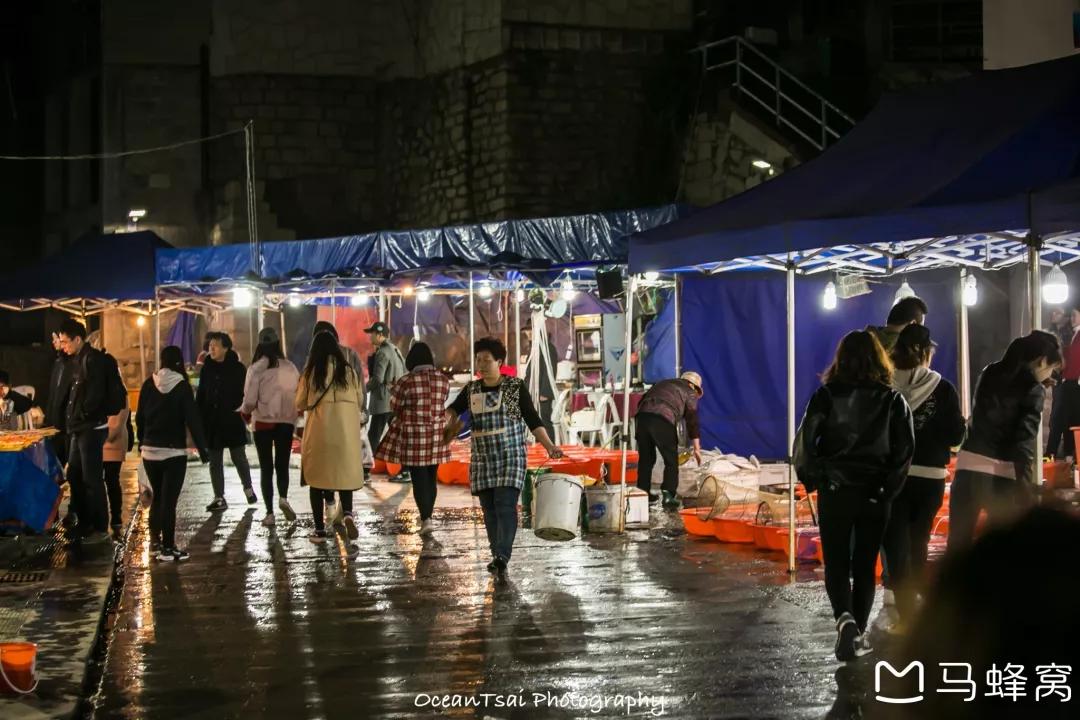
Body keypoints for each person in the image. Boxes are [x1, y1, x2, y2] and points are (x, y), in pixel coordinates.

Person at [793, 330, 914, 661]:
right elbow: (904, 453)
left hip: (836, 491)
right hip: (876, 493)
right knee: (864, 564)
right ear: (880, 359)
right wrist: (886, 490)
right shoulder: (893, 401)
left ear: (841, 359)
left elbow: (803, 446)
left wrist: (814, 479)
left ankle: (845, 623)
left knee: (835, 562)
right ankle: (856, 634)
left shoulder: (826, 396)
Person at [444, 338, 563, 578]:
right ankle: (496, 553)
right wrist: (449, 422)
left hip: (510, 456)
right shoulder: (472, 390)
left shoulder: (512, 389)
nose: (482, 365)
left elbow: (533, 420)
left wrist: (550, 446)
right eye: (479, 360)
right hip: (483, 458)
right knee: (488, 509)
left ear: (499, 362)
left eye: (487, 360)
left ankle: (502, 555)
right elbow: (453, 410)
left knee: (505, 505)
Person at [879, 324, 965, 630]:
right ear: (927, 353)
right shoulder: (942, 388)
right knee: (920, 541)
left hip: (893, 478)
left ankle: (904, 610)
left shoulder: (883, 386)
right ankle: (922, 603)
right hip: (930, 478)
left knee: (895, 545)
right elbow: (956, 434)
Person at [948, 330, 1061, 553]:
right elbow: (1023, 442)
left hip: (968, 466)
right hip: (1003, 477)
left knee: (958, 546)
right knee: (1003, 551)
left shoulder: (989, 372)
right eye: (1051, 368)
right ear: (1041, 361)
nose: (1050, 373)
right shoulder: (1033, 389)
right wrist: (1026, 488)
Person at [136, 346, 209, 561]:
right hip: (174, 452)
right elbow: (192, 419)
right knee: (169, 501)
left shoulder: (149, 383)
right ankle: (168, 548)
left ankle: (155, 544)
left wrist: (143, 441)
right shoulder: (181, 386)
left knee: (157, 498)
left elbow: (140, 417)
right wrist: (203, 449)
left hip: (150, 451)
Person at [296, 331, 365, 543]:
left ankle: (319, 531)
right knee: (344, 477)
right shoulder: (349, 372)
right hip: (345, 433)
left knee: (317, 480)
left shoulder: (311, 373)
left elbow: (300, 403)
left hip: (320, 433)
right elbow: (360, 400)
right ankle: (348, 514)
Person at [376, 342, 450, 536]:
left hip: (414, 437)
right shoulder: (443, 379)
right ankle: (429, 516)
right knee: (431, 479)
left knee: (418, 480)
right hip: (437, 436)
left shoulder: (406, 381)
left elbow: (395, 406)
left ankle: (426, 518)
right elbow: (442, 402)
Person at [58, 318, 116, 544]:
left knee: (92, 478)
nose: (64, 346)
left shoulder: (93, 360)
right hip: (79, 428)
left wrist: (83, 413)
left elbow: (95, 394)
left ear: (78, 339)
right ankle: (84, 521)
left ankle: (100, 528)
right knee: (74, 474)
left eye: (66, 342)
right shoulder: (78, 359)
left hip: (91, 427)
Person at [240, 327, 300, 527]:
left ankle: (269, 513)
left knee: (267, 468)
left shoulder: (256, 369)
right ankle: (283, 498)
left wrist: (245, 414)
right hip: (286, 422)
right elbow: (298, 394)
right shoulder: (290, 367)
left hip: (264, 422)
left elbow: (249, 400)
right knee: (282, 464)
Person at [197, 332, 256, 511]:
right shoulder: (206, 368)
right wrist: (199, 417)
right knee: (215, 461)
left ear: (225, 347)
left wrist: (241, 409)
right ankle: (219, 497)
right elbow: (201, 395)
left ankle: (248, 488)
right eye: (210, 346)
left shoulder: (238, 369)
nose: (211, 349)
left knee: (239, 457)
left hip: (232, 420)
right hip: (212, 422)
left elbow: (245, 394)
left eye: (215, 345)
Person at [634, 372, 704, 510]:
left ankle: (643, 492)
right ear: (692, 385)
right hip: (663, 418)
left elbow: (642, 400)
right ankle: (668, 495)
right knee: (671, 459)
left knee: (646, 459)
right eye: (696, 390)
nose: (696, 394)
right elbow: (692, 421)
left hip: (642, 417)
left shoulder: (664, 383)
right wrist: (696, 448)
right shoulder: (689, 391)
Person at [312, 320, 372, 483]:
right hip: (347, 417)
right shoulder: (349, 355)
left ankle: (329, 497)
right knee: (346, 457)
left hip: (322, 419)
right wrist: (362, 410)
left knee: (326, 459)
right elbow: (360, 387)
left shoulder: (314, 360)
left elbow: (305, 395)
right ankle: (346, 503)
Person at [87, 331, 132, 538]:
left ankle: (114, 517)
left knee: (111, 480)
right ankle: (103, 517)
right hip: (101, 440)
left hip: (111, 442)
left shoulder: (118, 389)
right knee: (100, 480)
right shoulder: (100, 386)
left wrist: (102, 436)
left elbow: (118, 421)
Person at [364, 321, 406, 479]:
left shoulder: (382, 352)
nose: (370, 337)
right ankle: (406, 470)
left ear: (380, 334)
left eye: (372, 334)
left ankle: (364, 471)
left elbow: (378, 379)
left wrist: (363, 389)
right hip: (395, 400)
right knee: (399, 436)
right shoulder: (395, 349)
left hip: (383, 402)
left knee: (373, 436)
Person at [1045, 306, 1080, 457]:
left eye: (1074, 315)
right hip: (1063, 381)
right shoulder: (1070, 334)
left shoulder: (1070, 333)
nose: (1053, 314)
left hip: (1071, 382)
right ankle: (1066, 455)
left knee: (1066, 419)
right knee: (1063, 418)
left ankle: (1056, 453)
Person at [45, 331, 75, 467]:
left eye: (57, 339)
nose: (54, 343)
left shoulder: (74, 364)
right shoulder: (58, 363)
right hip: (54, 425)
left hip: (67, 425)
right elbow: (53, 395)